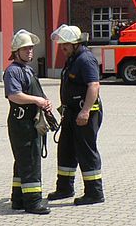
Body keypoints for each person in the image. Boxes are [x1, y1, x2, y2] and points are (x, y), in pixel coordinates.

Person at [47, 24, 105, 205]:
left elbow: (93, 86)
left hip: (85, 114)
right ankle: (65, 188)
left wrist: (85, 111)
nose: (62, 48)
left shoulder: (85, 59)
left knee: (86, 152)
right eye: (61, 44)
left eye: (65, 45)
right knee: (66, 149)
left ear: (75, 44)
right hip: (72, 114)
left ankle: (94, 193)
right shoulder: (73, 58)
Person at [3, 29, 52, 215]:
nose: (30, 52)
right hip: (21, 123)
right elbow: (14, 95)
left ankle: (18, 199)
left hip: (29, 121)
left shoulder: (28, 70)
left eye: (31, 49)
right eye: (26, 49)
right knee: (30, 161)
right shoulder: (13, 71)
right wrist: (37, 101)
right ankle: (33, 202)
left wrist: (45, 101)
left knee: (22, 161)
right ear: (16, 52)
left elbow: (36, 91)